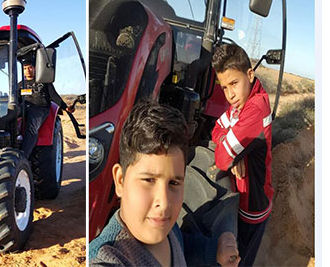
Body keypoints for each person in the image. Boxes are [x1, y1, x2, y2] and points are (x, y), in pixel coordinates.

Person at [89, 100, 240, 267]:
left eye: (174, 183)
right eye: (149, 180)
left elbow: (182, 247)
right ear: (120, 181)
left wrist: (214, 251)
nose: (164, 202)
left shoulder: (168, 228)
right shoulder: (107, 257)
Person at [211, 44, 274, 266]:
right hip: (242, 196)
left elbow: (221, 159)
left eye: (234, 84)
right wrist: (233, 154)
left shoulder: (255, 108)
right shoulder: (240, 104)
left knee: (241, 260)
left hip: (253, 205)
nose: (229, 95)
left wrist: (230, 154)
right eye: (224, 87)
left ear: (250, 74)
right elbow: (216, 129)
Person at [18, 55, 74, 158]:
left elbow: (54, 96)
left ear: (35, 68)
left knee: (31, 127)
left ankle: (24, 156)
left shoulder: (44, 82)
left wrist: (65, 107)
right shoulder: (20, 84)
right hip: (25, 107)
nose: (27, 70)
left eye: (30, 67)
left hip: (40, 108)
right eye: (25, 68)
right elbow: (17, 99)